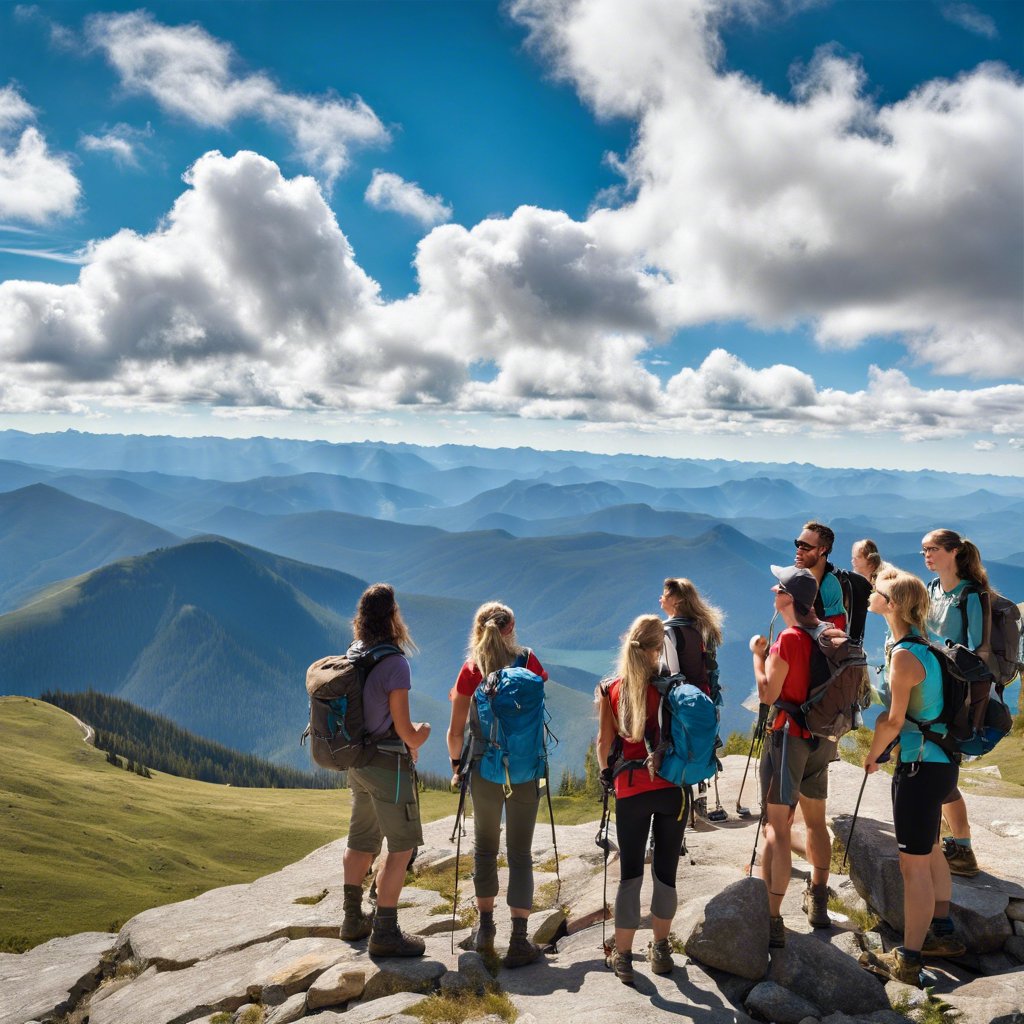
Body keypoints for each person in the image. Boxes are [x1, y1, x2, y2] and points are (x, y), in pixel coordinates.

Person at [859, 568, 967, 987]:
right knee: (932, 848)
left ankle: (908, 960)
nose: (872, 593)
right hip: (941, 764)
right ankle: (941, 932)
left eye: (879, 591)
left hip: (919, 768)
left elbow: (893, 718)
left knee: (913, 867)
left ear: (894, 604)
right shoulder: (923, 646)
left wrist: (873, 756)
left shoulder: (904, 653)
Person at [446, 601, 548, 968]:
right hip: (525, 770)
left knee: (485, 850)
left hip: (484, 771)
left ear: (478, 629)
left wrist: (457, 767)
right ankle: (519, 940)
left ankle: (485, 930)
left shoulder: (471, 671)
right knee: (520, 855)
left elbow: (456, 731)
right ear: (512, 627)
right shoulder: (529, 662)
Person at [340, 583, 431, 958]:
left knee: (361, 840)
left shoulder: (354, 654)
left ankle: (351, 919)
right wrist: (423, 733)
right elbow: (406, 730)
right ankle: (385, 931)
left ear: (361, 619)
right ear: (393, 616)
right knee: (402, 846)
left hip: (357, 762)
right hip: (386, 766)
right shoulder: (394, 663)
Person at [597, 614, 687, 985]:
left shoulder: (612, 689)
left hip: (631, 789)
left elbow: (604, 746)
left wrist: (608, 775)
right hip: (671, 789)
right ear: (657, 650)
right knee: (666, 872)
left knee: (630, 874)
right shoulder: (672, 688)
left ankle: (624, 957)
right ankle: (662, 950)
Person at [751, 565, 837, 946]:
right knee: (816, 821)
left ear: (788, 599)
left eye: (778, 587)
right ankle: (818, 896)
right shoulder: (831, 633)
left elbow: (768, 694)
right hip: (823, 737)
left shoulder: (786, 640)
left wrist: (758, 656)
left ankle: (771, 918)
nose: (773, 590)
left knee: (778, 828)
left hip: (789, 738)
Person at [922, 528, 989, 878]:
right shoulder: (932, 589)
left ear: (953, 552)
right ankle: (948, 846)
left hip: (955, 696)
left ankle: (960, 848)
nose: (927, 556)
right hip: (930, 689)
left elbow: (979, 653)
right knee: (934, 765)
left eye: (932, 549)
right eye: (923, 551)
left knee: (942, 767)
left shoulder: (971, 597)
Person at [659, 577, 724, 820]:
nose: (661, 598)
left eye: (665, 595)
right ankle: (701, 798)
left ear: (676, 601)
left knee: (679, 749)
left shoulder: (668, 631)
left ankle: (680, 811)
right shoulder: (702, 627)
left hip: (683, 703)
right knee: (701, 747)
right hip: (707, 699)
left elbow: (673, 674)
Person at [795, 520, 870, 643]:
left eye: (805, 547)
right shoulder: (794, 581)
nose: (799, 550)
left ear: (822, 550)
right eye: (797, 544)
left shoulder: (844, 585)